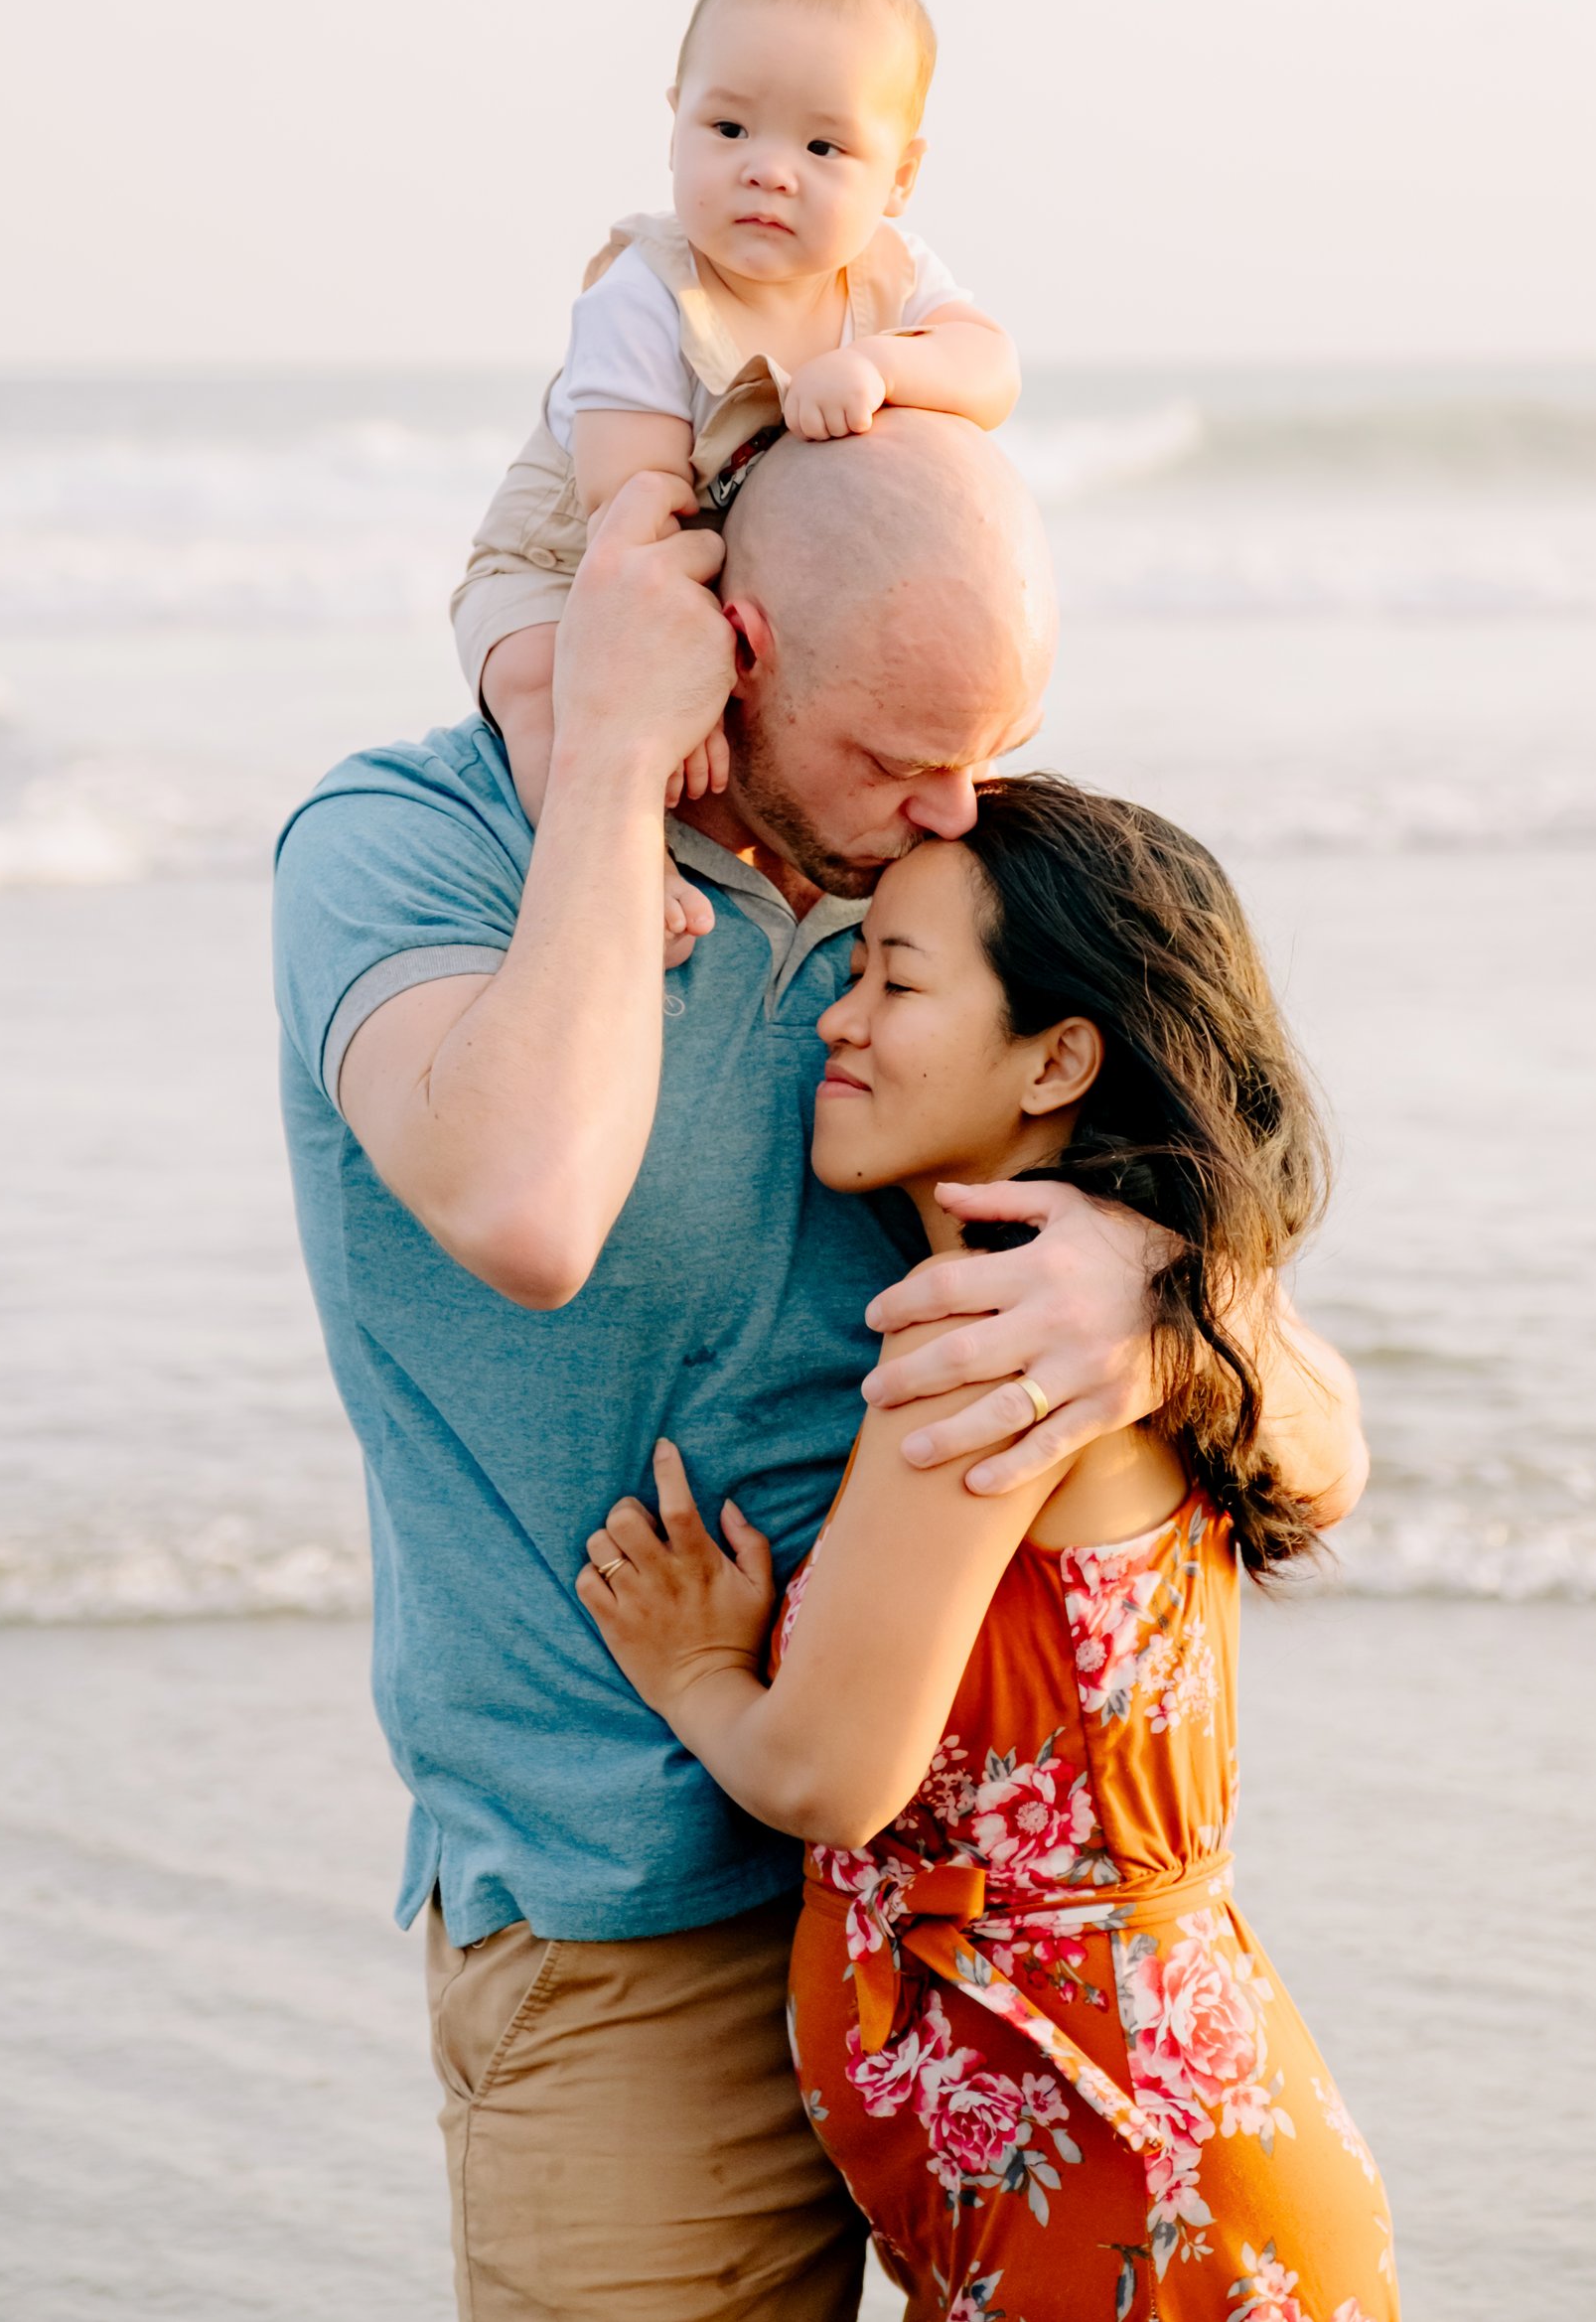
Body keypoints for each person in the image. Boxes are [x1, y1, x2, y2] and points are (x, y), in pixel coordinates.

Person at [274, 414, 1367, 2318]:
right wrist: (608, 748)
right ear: (739, 647)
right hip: (642, 1927)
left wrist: (1168, 1300)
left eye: (985, 750)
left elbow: (1327, 1443)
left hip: (997, 2010)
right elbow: (527, 1202)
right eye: (899, 754)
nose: (951, 805)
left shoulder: (935, 891)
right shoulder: (410, 853)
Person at [577, 779, 1397, 2322]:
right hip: (1149, 2145)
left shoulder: (1002, 1340)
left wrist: (695, 1670)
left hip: (1121, 2176)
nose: (838, 1020)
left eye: (896, 978)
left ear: (1058, 1057)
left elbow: (829, 1774)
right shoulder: (1121, 1310)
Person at [450, 0, 1021, 900]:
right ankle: (611, 867)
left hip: (754, 578)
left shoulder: (893, 276)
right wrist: (682, 687)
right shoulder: (644, 295)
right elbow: (632, 507)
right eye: (728, 129)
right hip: (581, 563)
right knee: (539, 693)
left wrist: (881, 362)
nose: (768, 169)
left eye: (822, 144)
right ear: (674, 125)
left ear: (900, 175)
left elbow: (991, 370)